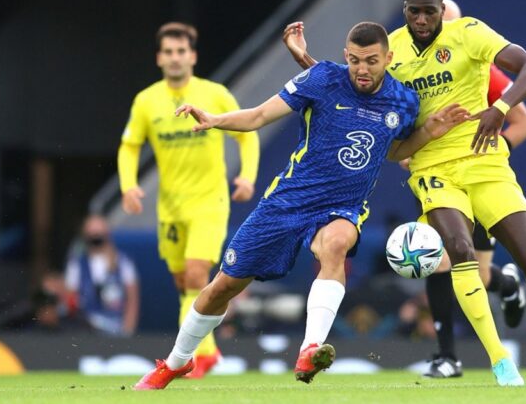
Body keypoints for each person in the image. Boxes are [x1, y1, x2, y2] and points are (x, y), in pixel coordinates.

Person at [282, 0, 526, 386]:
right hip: (432, 169)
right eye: (415, 11)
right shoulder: (393, 49)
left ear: (442, 9)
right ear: (405, 9)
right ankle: (499, 359)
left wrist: (499, 108)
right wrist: (305, 60)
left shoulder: (469, 33)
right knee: (459, 252)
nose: (422, 19)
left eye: (430, 11)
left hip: (485, 164)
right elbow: (352, 85)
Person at [132, 21, 469, 390]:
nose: (362, 69)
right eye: (355, 60)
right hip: (289, 200)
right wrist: (215, 120)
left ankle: (310, 348)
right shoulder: (322, 78)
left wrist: (427, 132)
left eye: (371, 61)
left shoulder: (404, 101)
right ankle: (176, 362)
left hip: (343, 206)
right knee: (223, 287)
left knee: (336, 245)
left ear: (388, 59)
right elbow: (259, 116)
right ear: (346, 56)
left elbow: (393, 151)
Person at [118, 22, 260, 377]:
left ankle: (188, 358)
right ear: (159, 58)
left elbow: (247, 134)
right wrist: (128, 185)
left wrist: (247, 176)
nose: (175, 58)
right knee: (184, 283)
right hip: (170, 207)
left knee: (197, 275)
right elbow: (130, 145)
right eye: (168, 52)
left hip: (209, 202)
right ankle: (207, 353)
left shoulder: (215, 94)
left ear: (193, 56)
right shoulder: (146, 101)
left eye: (181, 51)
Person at [416, 0, 526, 378]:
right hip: (437, 178)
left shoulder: (481, 69)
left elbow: (524, 123)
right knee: (438, 261)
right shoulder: (411, 68)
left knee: (478, 275)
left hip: (478, 179)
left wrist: (489, 148)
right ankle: (446, 357)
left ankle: (505, 282)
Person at [64, 215, 140, 336]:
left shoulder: (123, 263)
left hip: (116, 327)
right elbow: (70, 297)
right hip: (87, 329)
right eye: (92, 234)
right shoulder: (77, 264)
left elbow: (132, 300)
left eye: (99, 234)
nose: (96, 239)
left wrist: (127, 331)